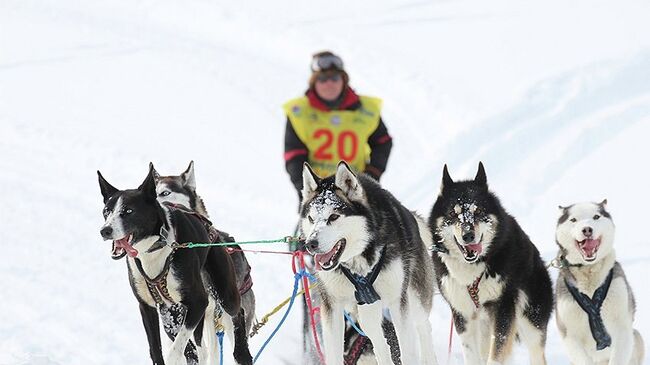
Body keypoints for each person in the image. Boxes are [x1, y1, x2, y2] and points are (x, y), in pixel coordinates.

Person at [283, 50, 393, 202]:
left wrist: (371, 175)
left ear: (343, 80)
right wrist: (306, 188)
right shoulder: (299, 112)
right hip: (317, 190)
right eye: (322, 79)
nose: (329, 84)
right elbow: (293, 155)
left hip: (355, 189)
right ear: (314, 82)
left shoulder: (366, 110)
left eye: (334, 78)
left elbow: (383, 142)